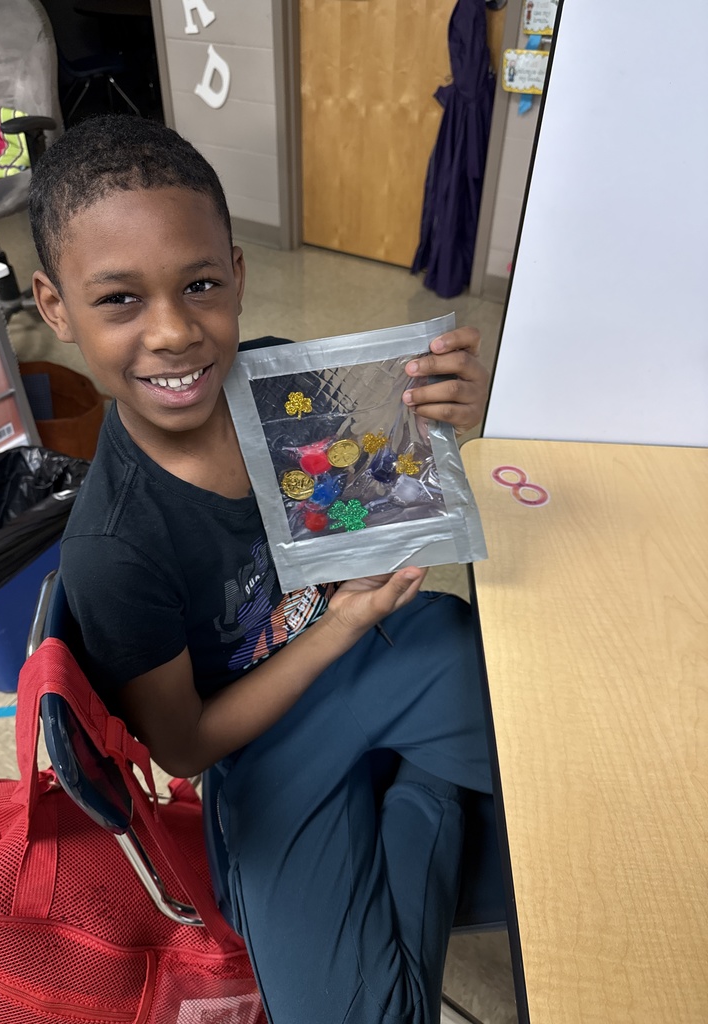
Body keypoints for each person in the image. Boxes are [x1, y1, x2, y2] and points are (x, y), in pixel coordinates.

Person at [29, 114, 494, 1024]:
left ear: (237, 275)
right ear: (55, 306)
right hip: (260, 740)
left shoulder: (281, 379)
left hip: (392, 649)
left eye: (199, 284)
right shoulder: (114, 550)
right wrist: (343, 624)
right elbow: (187, 746)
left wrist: (445, 423)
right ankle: (425, 793)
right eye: (119, 299)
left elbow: (360, 492)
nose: (174, 332)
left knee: (567, 773)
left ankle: (423, 789)